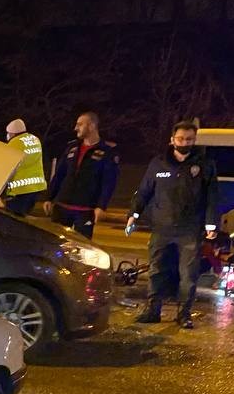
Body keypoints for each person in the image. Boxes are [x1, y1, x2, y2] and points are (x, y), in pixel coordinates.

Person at [126, 120, 218, 328]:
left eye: (189, 139)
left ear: (194, 140)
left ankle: (184, 314)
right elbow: (144, 191)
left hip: (189, 230)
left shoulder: (204, 165)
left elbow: (213, 196)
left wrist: (211, 224)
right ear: (172, 140)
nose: (184, 142)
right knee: (156, 270)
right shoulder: (158, 164)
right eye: (180, 139)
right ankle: (153, 310)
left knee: (188, 275)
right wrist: (134, 214)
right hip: (162, 228)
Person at [43, 111, 120, 238]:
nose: (75, 128)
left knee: (82, 246)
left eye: (80, 124)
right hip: (62, 206)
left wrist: (101, 206)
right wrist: (49, 197)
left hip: (85, 210)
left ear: (91, 126)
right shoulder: (72, 147)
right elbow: (60, 174)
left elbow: (109, 182)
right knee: (56, 243)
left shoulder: (107, 152)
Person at [0, 118, 46, 215]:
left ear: (12, 133)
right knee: (25, 215)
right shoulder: (35, 139)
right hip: (37, 187)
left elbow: (5, 166)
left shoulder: (14, 143)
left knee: (14, 217)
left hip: (20, 190)